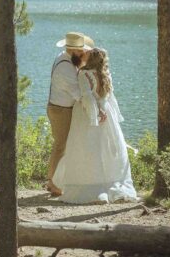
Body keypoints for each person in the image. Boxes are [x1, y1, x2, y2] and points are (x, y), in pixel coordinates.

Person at [54, 47, 138, 204]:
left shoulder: (84, 73)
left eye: (86, 54)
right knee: (106, 147)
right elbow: (109, 98)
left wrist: (96, 115)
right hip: (107, 112)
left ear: (90, 58)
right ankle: (110, 183)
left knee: (87, 147)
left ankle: (90, 187)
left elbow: (87, 97)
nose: (83, 55)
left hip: (89, 114)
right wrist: (107, 111)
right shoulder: (105, 74)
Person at [46, 32, 102, 196]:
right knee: (61, 146)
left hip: (62, 108)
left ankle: (54, 180)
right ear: (72, 49)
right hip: (60, 110)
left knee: (62, 145)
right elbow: (78, 95)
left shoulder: (66, 59)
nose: (83, 53)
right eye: (81, 51)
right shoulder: (65, 67)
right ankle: (51, 182)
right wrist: (96, 110)